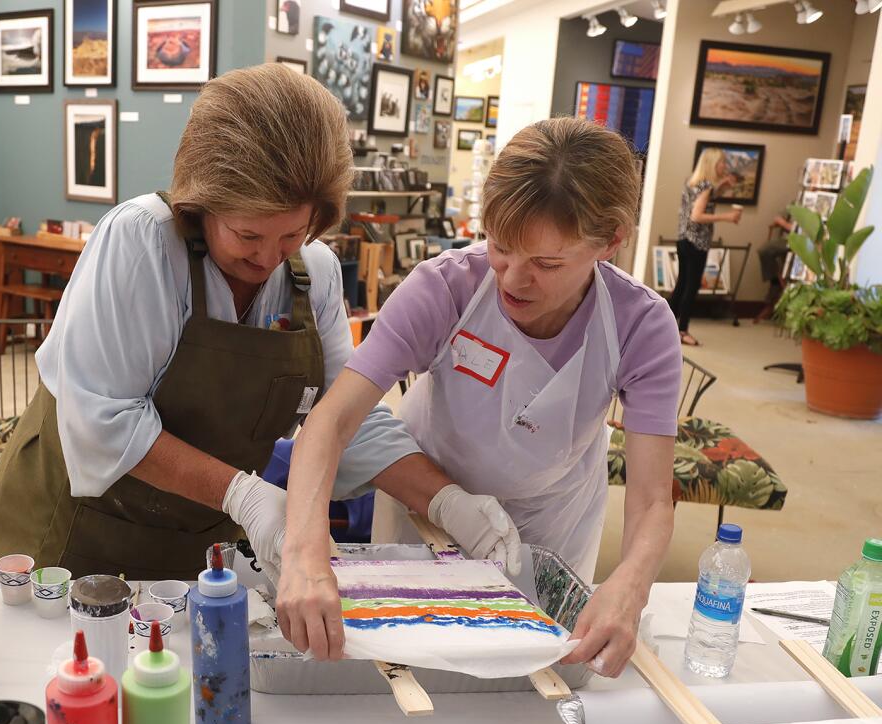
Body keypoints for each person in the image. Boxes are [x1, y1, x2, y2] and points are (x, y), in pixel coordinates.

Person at [0, 64, 429, 580]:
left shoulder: (317, 273)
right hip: (75, 535)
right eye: (247, 235)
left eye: (291, 235)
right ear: (203, 200)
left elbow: (345, 417)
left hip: (199, 546)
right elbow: (105, 423)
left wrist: (447, 502)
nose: (268, 259)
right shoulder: (143, 243)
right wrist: (244, 494)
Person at [279, 118, 683, 677]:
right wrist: (304, 553)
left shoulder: (642, 325)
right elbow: (330, 422)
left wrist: (630, 589)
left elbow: (651, 501)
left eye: (546, 264)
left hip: (553, 517)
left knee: (533, 676)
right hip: (428, 505)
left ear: (611, 241)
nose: (514, 279)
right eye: (501, 247)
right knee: (414, 661)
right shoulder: (447, 287)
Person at [670, 149, 742, 346]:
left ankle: (664, 326)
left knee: (681, 285)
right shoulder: (707, 186)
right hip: (697, 242)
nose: (724, 166)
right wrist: (727, 217)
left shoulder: (692, 182)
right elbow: (697, 216)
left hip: (683, 238)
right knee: (690, 287)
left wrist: (722, 187)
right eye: (722, 163)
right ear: (712, 164)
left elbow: (699, 203)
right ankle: (682, 331)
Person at [754, 210, 795, 323]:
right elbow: (786, 214)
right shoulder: (801, 199)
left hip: (799, 240)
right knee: (766, 253)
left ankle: (774, 296)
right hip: (787, 238)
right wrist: (781, 220)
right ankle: (774, 291)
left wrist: (783, 224)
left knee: (766, 250)